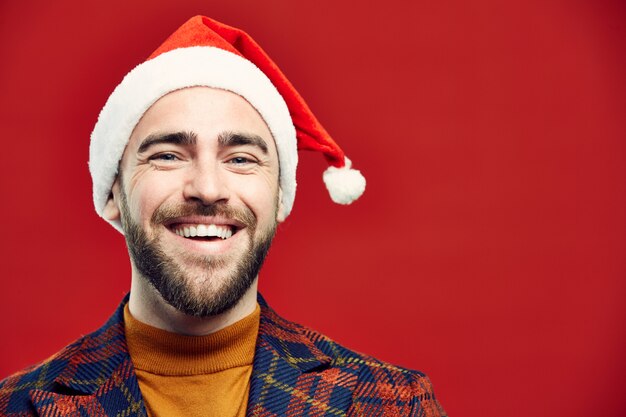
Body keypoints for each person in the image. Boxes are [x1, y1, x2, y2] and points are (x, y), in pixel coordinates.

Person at [0, 16, 446, 417]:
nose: (208, 189)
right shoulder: (14, 407)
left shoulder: (390, 404)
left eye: (241, 159)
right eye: (169, 155)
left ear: (280, 198)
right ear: (112, 193)